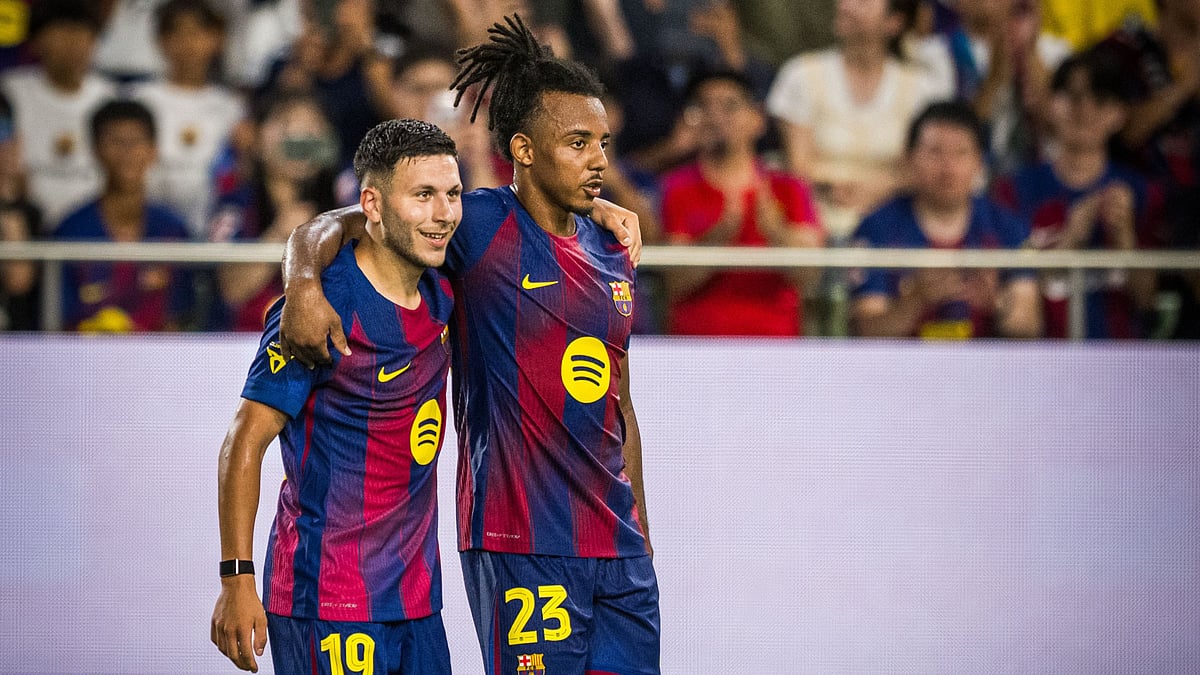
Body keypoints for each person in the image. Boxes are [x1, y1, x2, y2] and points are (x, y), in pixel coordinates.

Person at [277, 14, 659, 674]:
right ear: (524, 150)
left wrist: (643, 535)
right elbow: (350, 221)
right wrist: (304, 278)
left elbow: (619, 410)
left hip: (619, 548)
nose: (600, 158)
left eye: (603, 141)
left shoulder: (613, 247)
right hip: (519, 537)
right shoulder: (478, 226)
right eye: (578, 142)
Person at [210, 118, 461, 674]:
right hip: (327, 599)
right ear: (372, 204)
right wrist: (236, 579)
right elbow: (244, 442)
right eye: (422, 196)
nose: (442, 213)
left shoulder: (444, 288)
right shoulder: (320, 309)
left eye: (451, 194)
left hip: (417, 601)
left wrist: (605, 212)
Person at [993, 52, 1158, 338]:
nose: (1085, 110)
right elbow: (1003, 295)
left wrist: (1125, 239)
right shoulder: (1012, 191)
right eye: (1072, 96)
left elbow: (1148, 299)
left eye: (1101, 99)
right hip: (1037, 362)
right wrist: (1070, 238)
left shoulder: (1143, 192)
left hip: (1124, 364)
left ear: (1120, 114)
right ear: (1051, 104)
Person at [851, 101, 1042, 338]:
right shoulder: (876, 227)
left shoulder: (1007, 227)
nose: (948, 168)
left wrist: (998, 305)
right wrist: (915, 301)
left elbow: (1029, 329)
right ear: (909, 158)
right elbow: (865, 332)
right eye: (934, 152)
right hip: (901, 370)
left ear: (979, 162)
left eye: (961, 153)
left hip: (986, 370)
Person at [661, 68, 824, 336]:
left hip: (776, 348)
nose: (714, 116)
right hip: (693, 352)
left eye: (729, 106)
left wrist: (775, 230)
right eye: (703, 105)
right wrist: (720, 235)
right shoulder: (676, 187)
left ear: (757, 119)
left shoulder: (789, 188)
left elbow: (810, 276)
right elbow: (673, 283)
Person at [765, 0, 947, 240]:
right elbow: (798, 165)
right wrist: (835, 188)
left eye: (862, 2)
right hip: (813, 218)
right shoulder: (801, 74)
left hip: (894, 222)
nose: (845, 6)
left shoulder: (923, 88)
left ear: (895, 22)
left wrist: (880, 190)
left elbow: (924, 165)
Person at [52, 99, 194, 332]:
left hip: (158, 361)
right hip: (83, 360)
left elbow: (179, 318)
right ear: (95, 150)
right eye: (115, 141)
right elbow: (59, 321)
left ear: (153, 151)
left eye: (136, 141)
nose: (127, 152)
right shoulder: (70, 230)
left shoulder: (173, 230)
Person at [131, 0, 246, 239]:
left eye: (197, 32)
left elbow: (236, 174)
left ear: (216, 39)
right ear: (161, 40)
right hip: (151, 228)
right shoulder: (139, 100)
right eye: (177, 33)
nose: (188, 43)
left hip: (212, 230)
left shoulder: (232, 107)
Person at [0, 0, 116, 230]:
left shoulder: (112, 97)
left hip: (93, 229)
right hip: (26, 224)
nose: (72, 42)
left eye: (81, 33)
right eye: (61, 31)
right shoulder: (11, 92)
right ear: (35, 42)